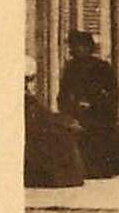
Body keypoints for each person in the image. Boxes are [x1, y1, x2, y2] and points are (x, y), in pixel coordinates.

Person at [58, 31, 119, 179]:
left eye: (77, 46)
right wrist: (71, 108)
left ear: (88, 47)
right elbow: (63, 95)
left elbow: (113, 94)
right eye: (72, 47)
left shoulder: (102, 67)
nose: (73, 50)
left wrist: (94, 105)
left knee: (99, 137)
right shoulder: (70, 68)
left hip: (100, 115)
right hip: (77, 115)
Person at [24, 57, 86, 188]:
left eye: (31, 80)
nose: (31, 84)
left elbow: (43, 116)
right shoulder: (27, 100)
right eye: (29, 79)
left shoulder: (30, 100)